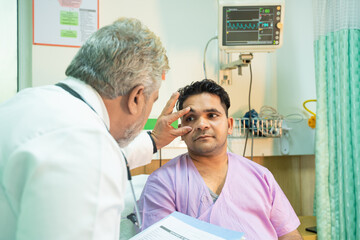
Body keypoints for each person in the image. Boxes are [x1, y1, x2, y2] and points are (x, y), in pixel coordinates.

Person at [0, 18, 192, 240]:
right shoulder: (89, 146)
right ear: (137, 97)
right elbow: (90, 153)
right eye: (153, 100)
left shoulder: (28, 102)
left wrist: (155, 140)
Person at [137, 79, 303, 240]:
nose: (202, 124)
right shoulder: (162, 183)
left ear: (230, 125)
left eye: (212, 115)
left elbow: (289, 234)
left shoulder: (261, 176)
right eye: (191, 118)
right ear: (181, 131)